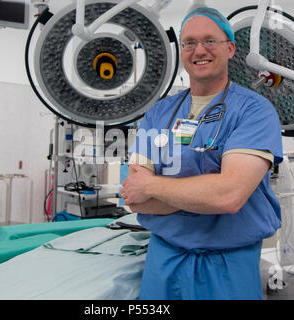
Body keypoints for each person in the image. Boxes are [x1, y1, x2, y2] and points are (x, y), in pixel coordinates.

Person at [121, 7, 283, 300]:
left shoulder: (254, 111)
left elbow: (229, 196)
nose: (199, 50)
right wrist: (202, 191)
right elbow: (135, 199)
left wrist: (153, 185)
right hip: (164, 262)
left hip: (228, 266)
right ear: (182, 50)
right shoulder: (160, 113)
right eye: (189, 42)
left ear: (230, 48)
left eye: (210, 41)